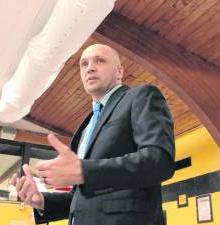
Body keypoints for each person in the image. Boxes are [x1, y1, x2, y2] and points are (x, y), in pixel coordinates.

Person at [11, 44, 175, 225]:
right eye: (84, 64)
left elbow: (159, 161)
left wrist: (83, 170)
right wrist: (42, 201)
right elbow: (79, 197)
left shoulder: (141, 96)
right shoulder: (85, 128)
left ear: (119, 73)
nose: (90, 67)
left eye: (100, 60)